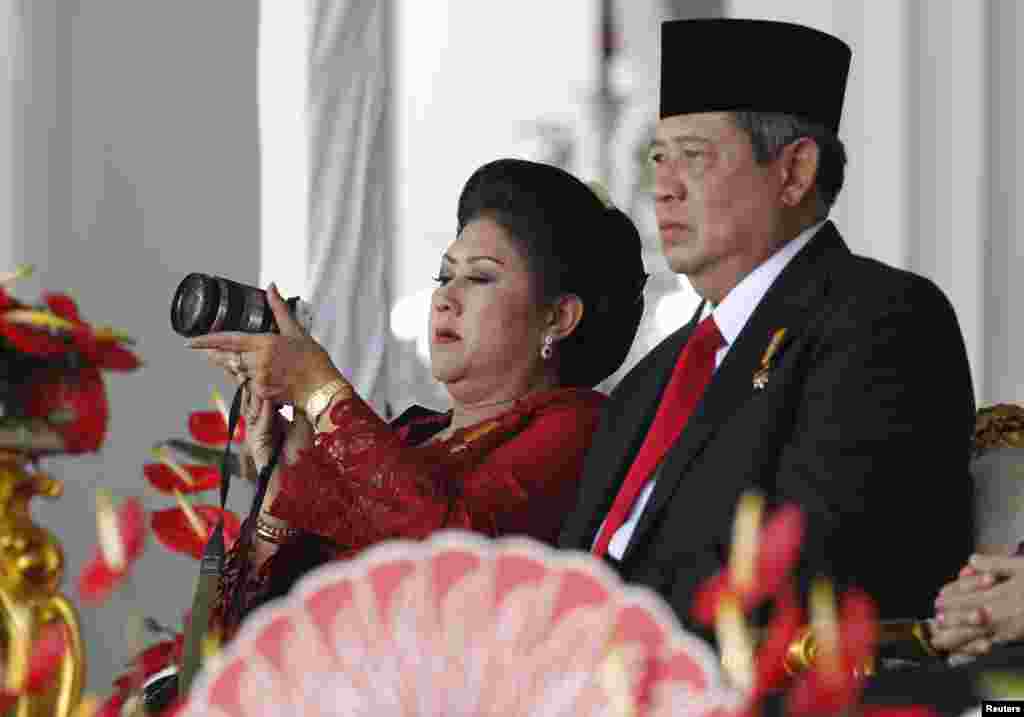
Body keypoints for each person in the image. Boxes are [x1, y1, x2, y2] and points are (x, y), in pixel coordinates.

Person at [557, 18, 976, 639]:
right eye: (658, 158)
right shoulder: (653, 377)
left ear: (793, 172)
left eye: (693, 157)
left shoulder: (881, 322)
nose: (662, 189)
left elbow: (812, 571)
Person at [186, 158, 647, 638]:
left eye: (480, 277)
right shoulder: (409, 435)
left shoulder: (580, 425)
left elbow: (451, 561)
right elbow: (253, 629)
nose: (446, 297)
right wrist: (288, 452)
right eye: (443, 277)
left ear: (559, 318)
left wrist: (320, 390)